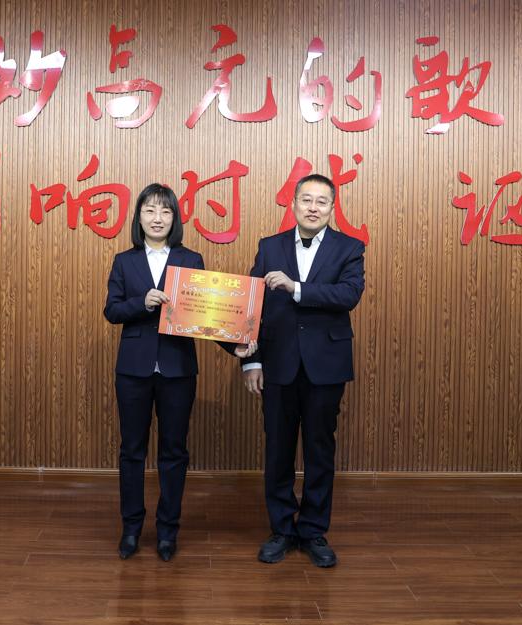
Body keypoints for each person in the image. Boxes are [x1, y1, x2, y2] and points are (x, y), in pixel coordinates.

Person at [104, 183, 255, 562]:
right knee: (132, 451)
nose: (157, 218)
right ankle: (131, 528)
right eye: (150, 210)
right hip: (133, 371)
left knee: (174, 452)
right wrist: (142, 303)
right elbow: (112, 311)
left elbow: (205, 316)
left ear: (175, 218)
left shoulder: (191, 260)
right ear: (139, 217)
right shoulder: (124, 261)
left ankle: (168, 530)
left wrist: (234, 346)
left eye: (165, 211)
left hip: (178, 369)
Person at [239, 173, 365, 568]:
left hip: (325, 366)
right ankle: (281, 529)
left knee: (319, 449)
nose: (313, 207)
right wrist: (251, 361)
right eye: (306, 200)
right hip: (278, 363)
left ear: (332, 208)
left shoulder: (349, 248)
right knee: (277, 448)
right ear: (292, 204)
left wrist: (295, 287)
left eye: (321, 201)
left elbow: (348, 295)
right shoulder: (269, 246)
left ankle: (313, 531)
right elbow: (251, 305)